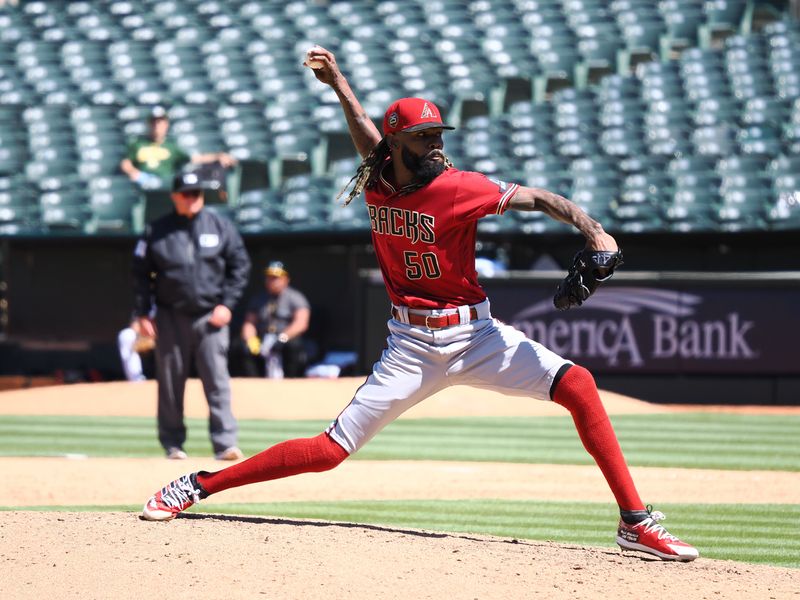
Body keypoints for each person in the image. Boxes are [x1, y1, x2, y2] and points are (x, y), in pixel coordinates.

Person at [141, 48, 698, 562]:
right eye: (425, 136)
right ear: (396, 144)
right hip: (409, 346)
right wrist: (339, 86)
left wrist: (595, 234)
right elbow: (365, 134)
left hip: (476, 337)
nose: (437, 144)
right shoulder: (381, 175)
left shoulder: (457, 186)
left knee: (578, 384)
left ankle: (634, 521)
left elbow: (540, 197)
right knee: (330, 452)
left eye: (438, 133)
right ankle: (199, 484)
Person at [132, 171, 251, 461]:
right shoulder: (157, 231)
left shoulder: (220, 226)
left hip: (210, 316)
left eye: (197, 193)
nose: (193, 198)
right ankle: (173, 444)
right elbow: (139, 275)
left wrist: (228, 304)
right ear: (175, 196)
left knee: (217, 380)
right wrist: (142, 312)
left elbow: (240, 267)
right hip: (170, 316)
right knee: (171, 382)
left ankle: (225, 443)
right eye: (187, 193)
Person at [120, 106, 237, 191]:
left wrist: (217, 156)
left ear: (166, 124)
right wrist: (136, 174)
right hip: (144, 184)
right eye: (154, 122)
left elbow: (194, 159)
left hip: (166, 185)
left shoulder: (172, 146)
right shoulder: (137, 143)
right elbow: (126, 163)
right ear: (149, 124)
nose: (157, 125)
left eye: (160, 122)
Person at [241, 261, 311, 379]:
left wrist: (282, 338)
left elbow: (301, 323)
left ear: (286, 279)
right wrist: (251, 339)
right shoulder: (259, 298)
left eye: (276, 277)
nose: (272, 281)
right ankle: (254, 383)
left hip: (284, 338)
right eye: (269, 277)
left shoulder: (295, 297)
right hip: (263, 339)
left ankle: (292, 382)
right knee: (244, 348)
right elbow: (249, 323)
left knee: (294, 346)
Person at [117, 317, 155, 382]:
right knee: (128, 334)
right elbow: (136, 345)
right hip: (131, 356)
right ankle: (137, 379)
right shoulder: (130, 332)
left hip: (128, 358)